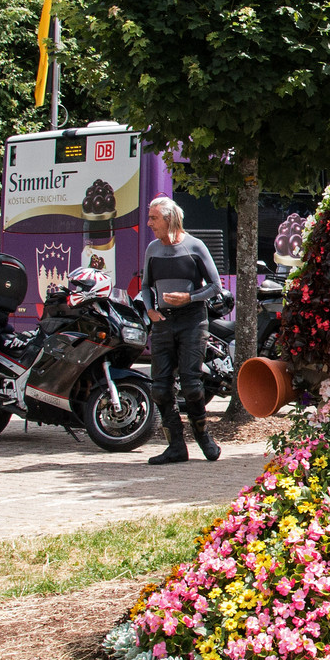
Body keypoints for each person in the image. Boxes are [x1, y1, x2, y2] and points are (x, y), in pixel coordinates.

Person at [142, 196, 222, 464]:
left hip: (192, 320)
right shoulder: (152, 249)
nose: (149, 222)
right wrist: (150, 309)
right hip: (163, 322)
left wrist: (189, 298)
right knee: (160, 389)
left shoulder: (194, 246)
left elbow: (215, 286)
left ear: (169, 219)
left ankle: (204, 439)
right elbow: (145, 286)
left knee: (191, 386)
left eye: (154, 218)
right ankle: (176, 446)